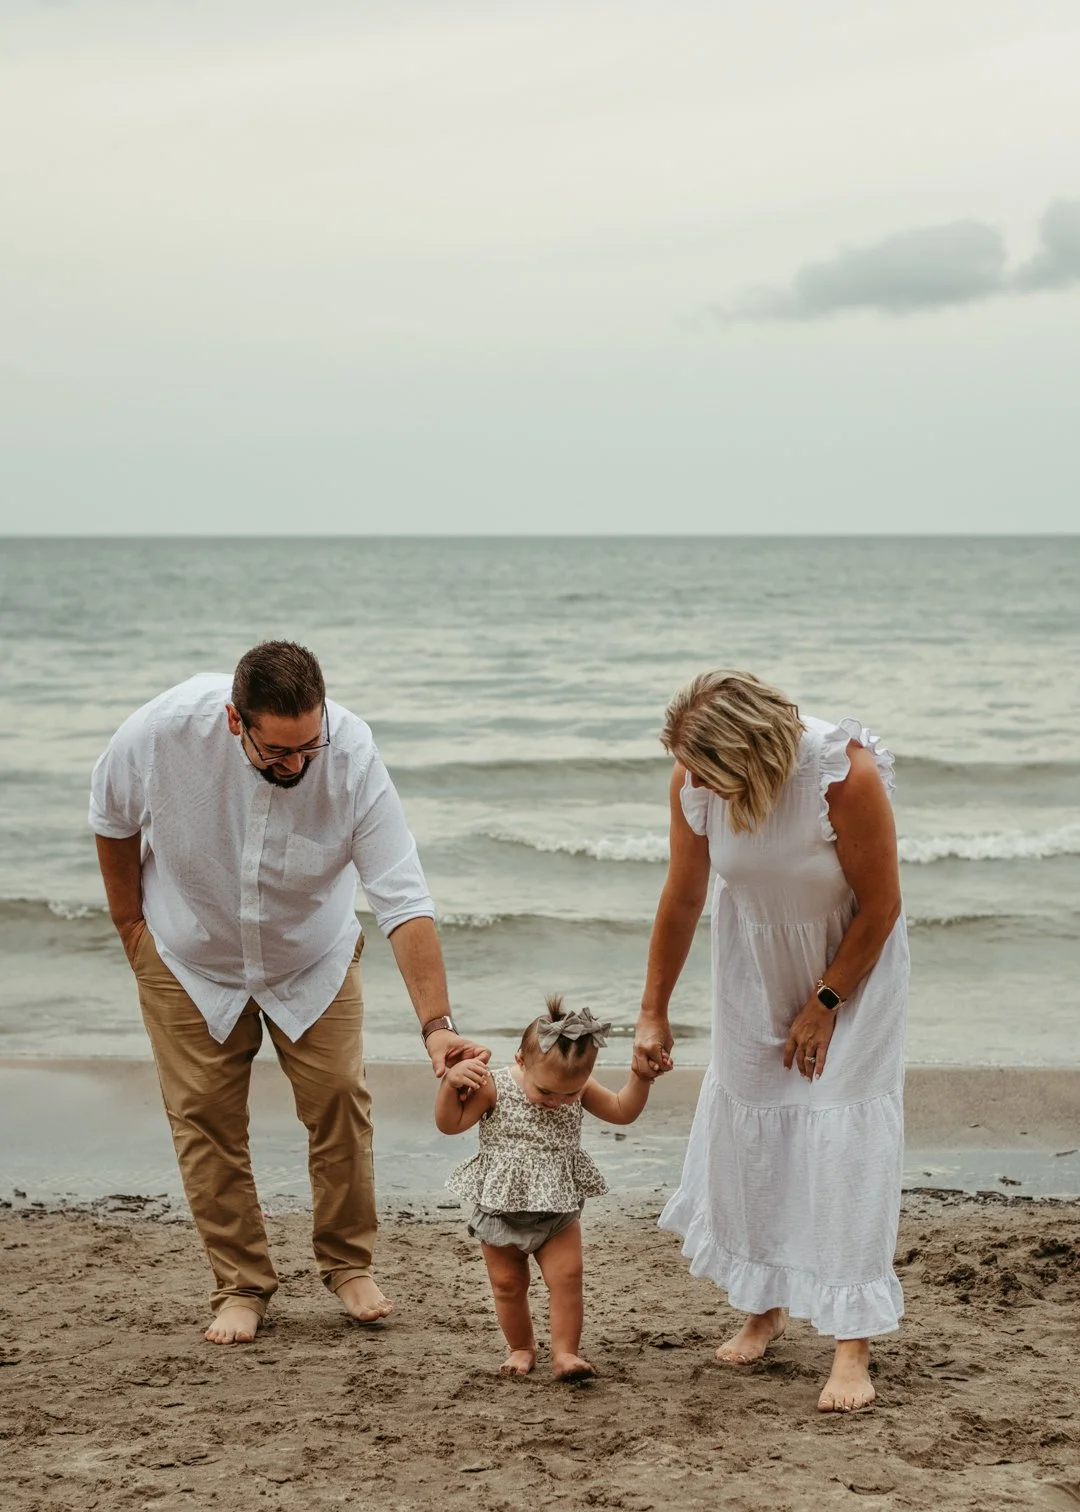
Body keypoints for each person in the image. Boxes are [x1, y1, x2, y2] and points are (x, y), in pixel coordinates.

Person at [90, 640, 487, 1345]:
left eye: (310, 746)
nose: (299, 764)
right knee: (205, 1121)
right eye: (280, 753)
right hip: (190, 956)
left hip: (313, 957)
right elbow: (112, 819)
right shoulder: (156, 734)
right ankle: (241, 1286)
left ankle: (348, 1263)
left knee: (338, 1097)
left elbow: (401, 896)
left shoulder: (353, 755)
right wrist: (129, 926)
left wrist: (437, 1025)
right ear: (235, 722)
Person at [633, 670, 908, 1413]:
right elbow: (684, 896)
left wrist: (826, 1000)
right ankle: (766, 1303)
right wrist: (653, 1010)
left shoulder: (840, 774)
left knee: (843, 1142)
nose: (701, 786)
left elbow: (882, 905)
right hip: (753, 969)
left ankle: (853, 1342)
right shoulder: (693, 782)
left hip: (853, 967)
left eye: (714, 772)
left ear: (752, 752)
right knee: (757, 1133)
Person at [436, 996, 652, 1380]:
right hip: (500, 1209)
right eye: (547, 1092)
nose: (558, 1102)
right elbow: (449, 1124)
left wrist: (641, 1078)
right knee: (507, 1284)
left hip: (558, 1211)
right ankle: (521, 1347)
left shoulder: (578, 1088)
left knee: (568, 1279)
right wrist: (450, 1084)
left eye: (570, 1094)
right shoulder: (493, 1086)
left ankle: (566, 1353)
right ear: (521, 1061)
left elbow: (622, 1110)